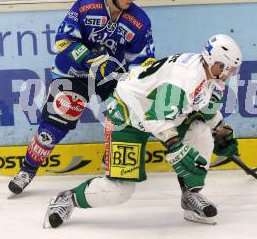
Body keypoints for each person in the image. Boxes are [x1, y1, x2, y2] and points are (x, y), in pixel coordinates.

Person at [42, 34, 242, 228]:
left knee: (200, 131)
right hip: (128, 116)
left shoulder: (207, 74)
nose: (231, 73)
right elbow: (156, 119)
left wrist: (220, 128)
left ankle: (190, 197)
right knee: (119, 191)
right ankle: (68, 198)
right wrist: (176, 147)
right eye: (230, 68)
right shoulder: (185, 80)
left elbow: (202, 105)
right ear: (217, 64)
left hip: (156, 111)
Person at [8, 0, 155, 195]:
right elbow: (63, 40)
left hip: (111, 74)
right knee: (58, 119)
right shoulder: (87, 5)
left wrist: (133, 80)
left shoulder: (139, 21)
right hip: (74, 71)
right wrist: (90, 59)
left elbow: (141, 61)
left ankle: (114, 170)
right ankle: (27, 169)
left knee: (121, 116)